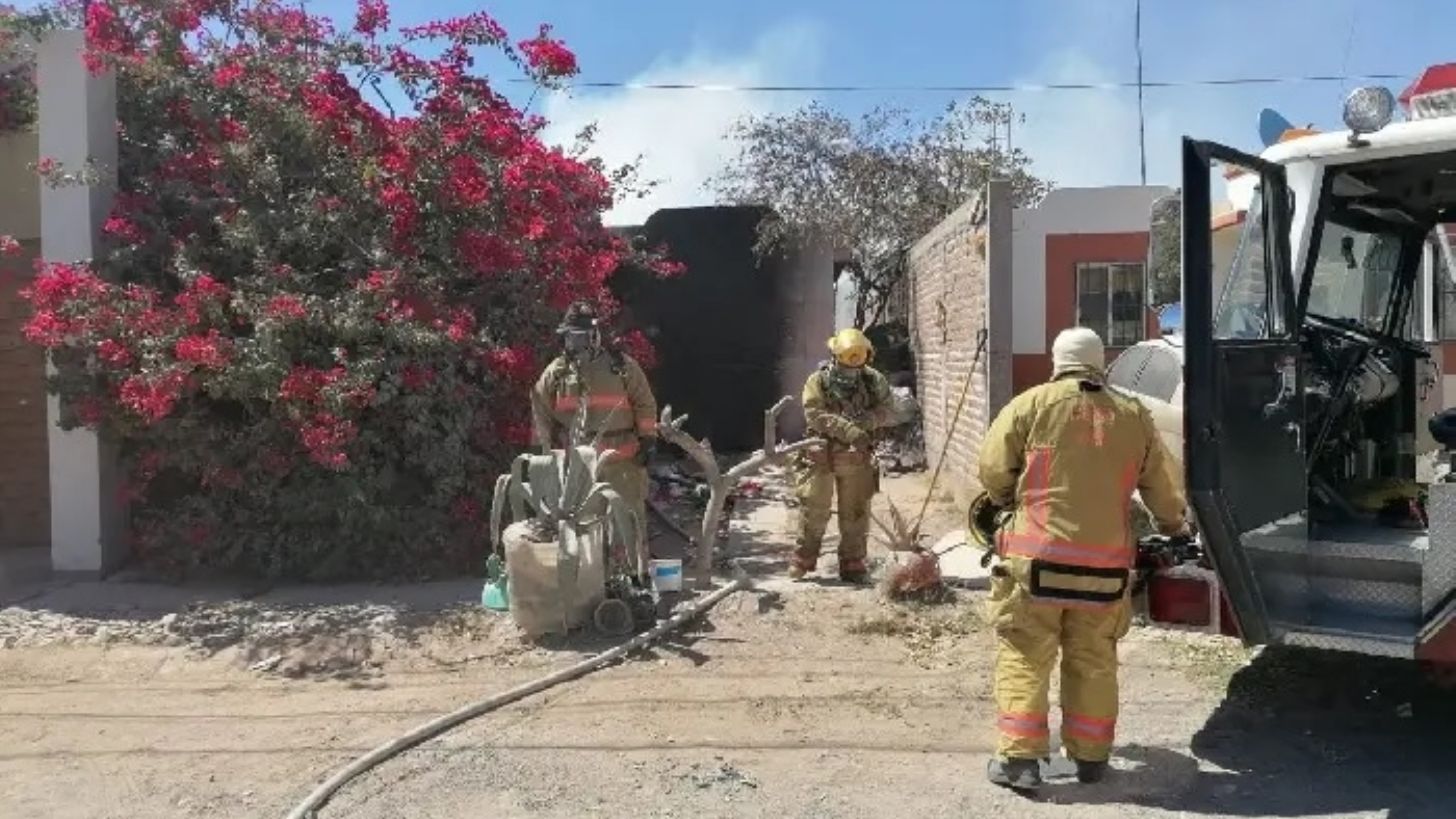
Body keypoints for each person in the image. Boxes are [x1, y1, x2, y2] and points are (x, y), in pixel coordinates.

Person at [977, 327, 1189, 793]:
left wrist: (1006, 500)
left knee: (1025, 656)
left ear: (1057, 360)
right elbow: (1163, 489)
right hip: (1104, 573)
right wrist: (1176, 527)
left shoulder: (1030, 405)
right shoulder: (1133, 414)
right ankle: (1091, 757)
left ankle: (1020, 760)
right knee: (1093, 659)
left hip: (1035, 564)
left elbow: (993, 470)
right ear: (1100, 362)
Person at [531, 301, 658, 577]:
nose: (576, 342)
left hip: (623, 461)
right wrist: (543, 450)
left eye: (582, 336)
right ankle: (594, 581)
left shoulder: (620, 366)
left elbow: (644, 402)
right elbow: (540, 410)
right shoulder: (557, 372)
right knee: (586, 526)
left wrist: (648, 439)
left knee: (628, 519)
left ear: (596, 335)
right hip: (579, 468)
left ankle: (635, 577)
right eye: (571, 336)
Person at [789, 327, 893, 584]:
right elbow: (814, 414)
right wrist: (849, 430)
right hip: (821, 455)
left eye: (857, 364)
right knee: (814, 507)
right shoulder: (818, 381)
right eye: (846, 364)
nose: (850, 371)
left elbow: (887, 410)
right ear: (834, 357)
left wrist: (868, 422)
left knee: (856, 511)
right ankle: (804, 558)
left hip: (856, 457)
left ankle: (852, 562)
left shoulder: (874, 381)